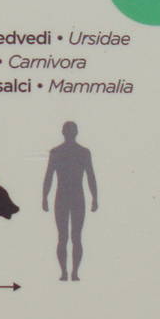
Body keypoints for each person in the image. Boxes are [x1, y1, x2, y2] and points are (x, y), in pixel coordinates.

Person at [41, 120, 97, 281]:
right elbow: (49, 176)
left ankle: (72, 273)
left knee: (71, 236)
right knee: (66, 237)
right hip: (67, 196)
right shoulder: (58, 152)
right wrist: (44, 196)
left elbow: (91, 176)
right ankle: (66, 272)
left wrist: (95, 197)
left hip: (71, 197)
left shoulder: (81, 152)